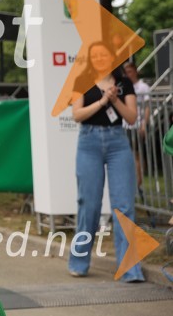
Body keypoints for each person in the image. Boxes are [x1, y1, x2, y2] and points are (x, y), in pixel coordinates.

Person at [68, 41, 144, 282]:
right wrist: (101, 102)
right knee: (88, 204)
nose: (101, 59)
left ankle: (130, 268)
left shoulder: (125, 83)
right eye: (96, 56)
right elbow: (77, 114)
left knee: (124, 206)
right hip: (88, 142)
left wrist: (115, 100)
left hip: (117, 143)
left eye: (105, 56)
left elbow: (131, 118)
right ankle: (79, 262)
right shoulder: (82, 80)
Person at [122, 61, 151, 191]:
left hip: (137, 125)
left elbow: (147, 107)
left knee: (137, 155)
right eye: (125, 72)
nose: (128, 74)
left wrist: (144, 124)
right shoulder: (122, 85)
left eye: (129, 71)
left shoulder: (143, 87)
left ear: (135, 71)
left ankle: (138, 183)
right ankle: (129, 183)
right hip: (125, 125)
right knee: (126, 155)